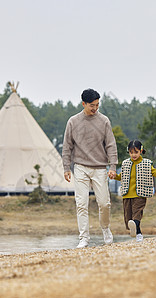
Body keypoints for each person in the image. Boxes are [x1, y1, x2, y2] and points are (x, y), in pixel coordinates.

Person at [62, 88, 118, 248]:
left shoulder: (104, 121)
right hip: (80, 167)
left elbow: (111, 145)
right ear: (83, 104)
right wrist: (67, 167)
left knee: (104, 203)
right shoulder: (73, 121)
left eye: (97, 105)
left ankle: (105, 229)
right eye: (92, 105)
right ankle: (84, 238)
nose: (95, 108)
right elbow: (67, 146)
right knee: (81, 203)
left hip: (100, 167)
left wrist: (112, 166)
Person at [110, 140, 156, 242]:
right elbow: (121, 177)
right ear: (128, 152)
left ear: (141, 150)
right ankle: (139, 233)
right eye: (131, 152)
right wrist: (114, 176)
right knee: (128, 218)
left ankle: (137, 230)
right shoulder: (125, 163)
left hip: (140, 194)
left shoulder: (146, 163)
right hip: (126, 195)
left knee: (137, 214)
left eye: (136, 152)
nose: (133, 155)